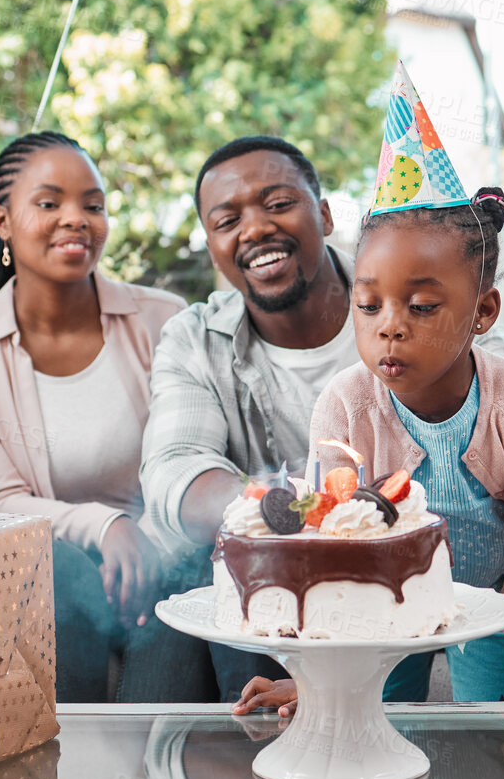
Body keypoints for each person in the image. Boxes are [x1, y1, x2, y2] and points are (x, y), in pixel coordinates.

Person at [238, 63, 504, 721]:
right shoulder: (344, 405)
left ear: (483, 313)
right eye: (368, 306)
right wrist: (316, 672)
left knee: (502, 748)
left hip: (490, 599)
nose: (389, 325)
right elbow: (332, 540)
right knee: (360, 732)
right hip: (376, 606)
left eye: (420, 307)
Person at [0, 132, 188, 703]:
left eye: (93, 205)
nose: (77, 220)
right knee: (60, 571)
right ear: (1, 221)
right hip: (41, 561)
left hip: (159, 549)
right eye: (48, 204)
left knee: (183, 591)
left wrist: (145, 542)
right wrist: (105, 527)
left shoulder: (164, 321)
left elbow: (187, 459)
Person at [136, 136, 364, 701]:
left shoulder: (410, 299)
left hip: (384, 562)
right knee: (198, 564)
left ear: (326, 214)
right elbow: (175, 469)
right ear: (213, 244)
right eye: (227, 219)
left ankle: (245, 775)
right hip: (259, 564)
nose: (256, 228)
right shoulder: (195, 337)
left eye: (279, 203)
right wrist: (285, 515)